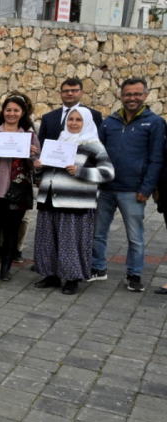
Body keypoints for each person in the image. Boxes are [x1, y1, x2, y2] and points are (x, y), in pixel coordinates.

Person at [92, 78, 165, 292]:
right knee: (98, 232)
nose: (132, 98)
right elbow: (97, 151)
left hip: (133, 190)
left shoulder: (155, 122)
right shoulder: (109, 122)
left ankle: (134, 273)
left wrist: (146, 188)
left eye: (137, 94)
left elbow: (157, 158)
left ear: (145, 96)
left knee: (135, 236)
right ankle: (97, 267)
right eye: (128, 94)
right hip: (105, 187)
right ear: (121, 96)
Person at [32, 108, 114, 295]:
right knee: (48, 240)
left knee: (70, 242)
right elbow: (45, 172)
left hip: (75, 202)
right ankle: (51, 275)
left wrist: (81, 171)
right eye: (71, 119)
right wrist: (38, 167)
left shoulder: (94, 145)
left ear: (86, 122)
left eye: (78, 120)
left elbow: (108, 173)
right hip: (50, 199)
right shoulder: (58, 142)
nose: (74, 123)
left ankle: (72, 278)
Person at [0, 94, 41, 282]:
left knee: (12, 231)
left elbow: (36, 165)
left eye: (16, 110)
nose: (11, 113)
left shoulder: (29, 136)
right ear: (3, 112)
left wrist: (32, 156)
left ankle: (6, 268)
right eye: (8, 110)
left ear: (22, 113)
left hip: (17, 192)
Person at [37, 78, 104, 146]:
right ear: (60, 94)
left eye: (74, 90)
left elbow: (100, 141)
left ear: (82, 93)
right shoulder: (48, 118)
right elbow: (41, 144)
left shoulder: (93, 115)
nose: (69, 93)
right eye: (66, 91)